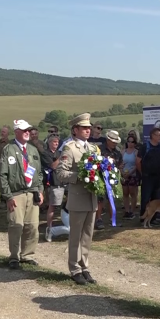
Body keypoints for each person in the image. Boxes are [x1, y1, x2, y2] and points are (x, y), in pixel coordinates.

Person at [56, 113, 100, 285]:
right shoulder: (70, 148)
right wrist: (80, 176)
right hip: (77, 197)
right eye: (84, 128)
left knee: (87, 235)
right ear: (75, 130)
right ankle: (74, 268)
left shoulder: (94, 149)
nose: (88, 131)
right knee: (76, 235)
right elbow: (61, 173)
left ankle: (84, 266)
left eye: (89, 128)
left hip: (92, 198)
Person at [0, 119, 43, 269]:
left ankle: (27, 255)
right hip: (16, 193)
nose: (27, 133)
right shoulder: (8, 149)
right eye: (24, 130)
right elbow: (2, 175)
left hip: (32, 193)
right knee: (16, 226)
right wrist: (8, 196)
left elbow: (39, 173)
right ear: (16, 131)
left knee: (32, 226)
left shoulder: (32, 150)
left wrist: (40, 190)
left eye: (28, 130)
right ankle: (14, 256)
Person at [137, 127, 160, 226]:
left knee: (156, 198)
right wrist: (143, 174)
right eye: (158, 135)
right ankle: (142, 219)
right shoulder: (145, 147)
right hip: (147, 177)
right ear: (152, 135)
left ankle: (153, 219)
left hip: (158, 177)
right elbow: (138, 161)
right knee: (145, 198)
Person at [96, 130, 123, 228]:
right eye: (113, 141)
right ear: (108, 140)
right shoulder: (99, 149)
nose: (115, 143)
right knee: (100, 199)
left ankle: (113, 219)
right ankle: (99, 219)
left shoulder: (117, 152)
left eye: (116, 142)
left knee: (111, 199)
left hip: (112, 178)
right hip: (100, 177)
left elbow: (120, 163)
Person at [42, 134, 64, 242]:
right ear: (49, 143)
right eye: (54, 142)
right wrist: (61, 158)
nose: (56, 144)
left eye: (57, 142)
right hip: (53, 183)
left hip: (64, 182)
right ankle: (49, 228)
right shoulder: (45, 154)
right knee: (52, 206)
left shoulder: (59, 153)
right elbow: (53, 166)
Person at [121, 131, 140, 219]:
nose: (130, 143)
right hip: (124, 174)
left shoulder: (136, 152)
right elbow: (120, 163)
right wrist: (121, 171)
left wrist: (130, 173)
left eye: (132, 141)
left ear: (135, 143)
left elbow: (137, 165)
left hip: (133, 175)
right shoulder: (123, 151)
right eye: (129, 141)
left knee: (133, 193)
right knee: (125, 193)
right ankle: (126, 211)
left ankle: (133, 211)